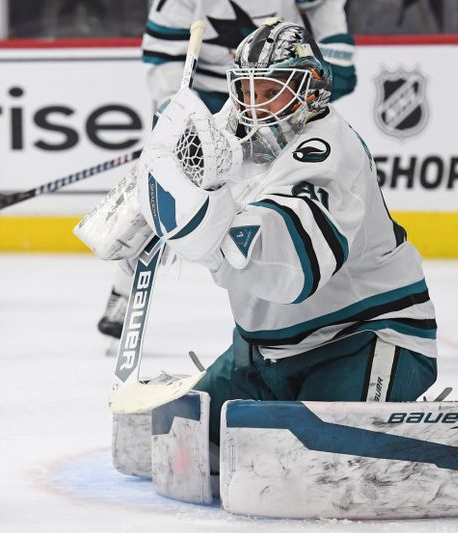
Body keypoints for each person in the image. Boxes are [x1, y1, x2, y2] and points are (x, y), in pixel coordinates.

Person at [85, 20, 437, 445]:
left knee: (316, 461)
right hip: (262, 353)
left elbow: (293, 271)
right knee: (169, 443)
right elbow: (172, 193)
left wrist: (196, 224)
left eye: (271, 92)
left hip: (364, 338)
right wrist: (153, 197)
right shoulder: (229, 130)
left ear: (310, 90)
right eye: (247, 92)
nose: (255, 107)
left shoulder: (326, 150)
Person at [97, 0, 357, 345]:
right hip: (210, 99)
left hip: (282, 88)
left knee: (282, 191)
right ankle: (123, 289)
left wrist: (333, 44)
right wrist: (174, 108)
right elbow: (163, 53)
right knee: (162, 186)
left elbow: (322, 6)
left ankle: (312, 289)